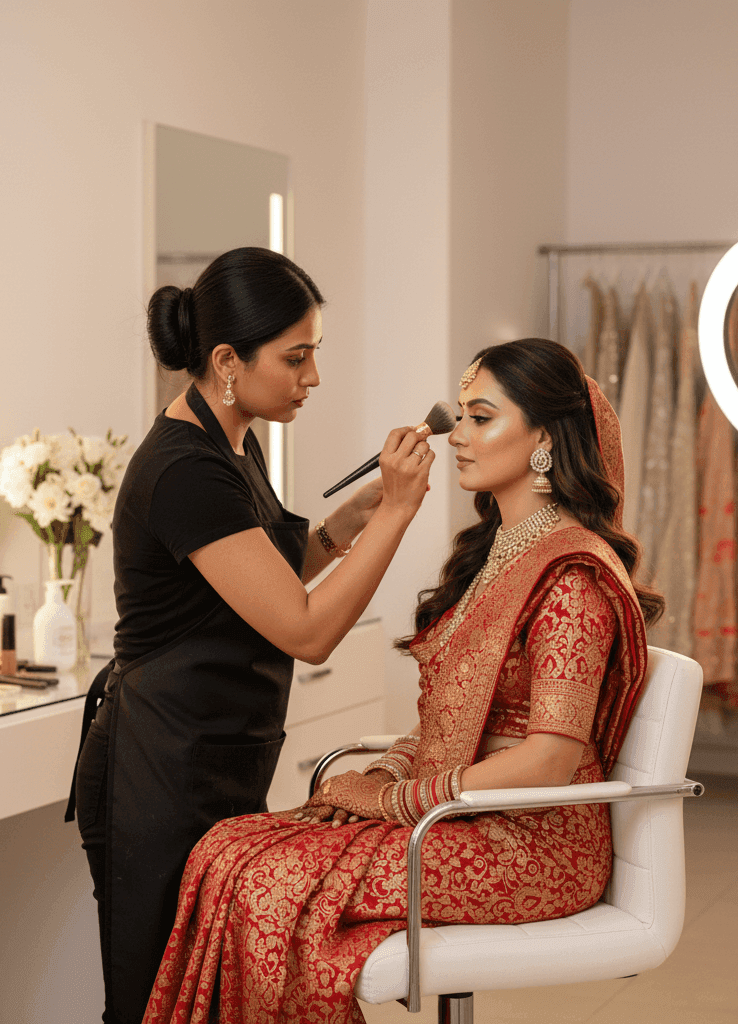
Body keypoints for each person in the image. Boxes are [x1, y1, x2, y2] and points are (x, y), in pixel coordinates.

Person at [141, 338, 665, 1024]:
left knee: (271, 881)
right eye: (463, 416)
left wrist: (394, 802)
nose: (458, 436)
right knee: (223, 849)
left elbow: (550, 760)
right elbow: (452, 718)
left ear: (544, 438)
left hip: (534, 843)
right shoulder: (499, 556)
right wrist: (381, 774)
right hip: (463, 816)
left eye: (482, 418)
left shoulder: (571, 578)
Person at [70, 247, 435, 1024]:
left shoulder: (234, 443)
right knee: (157, 999)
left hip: (211, 752)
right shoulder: (185, 469)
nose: (313, 377)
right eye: (295, 358)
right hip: (158, 770)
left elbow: (261, 573)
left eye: (314, 354)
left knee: (213, 995)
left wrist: (347, 523)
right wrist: (399, 515)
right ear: (228, 361)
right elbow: (305, 630)